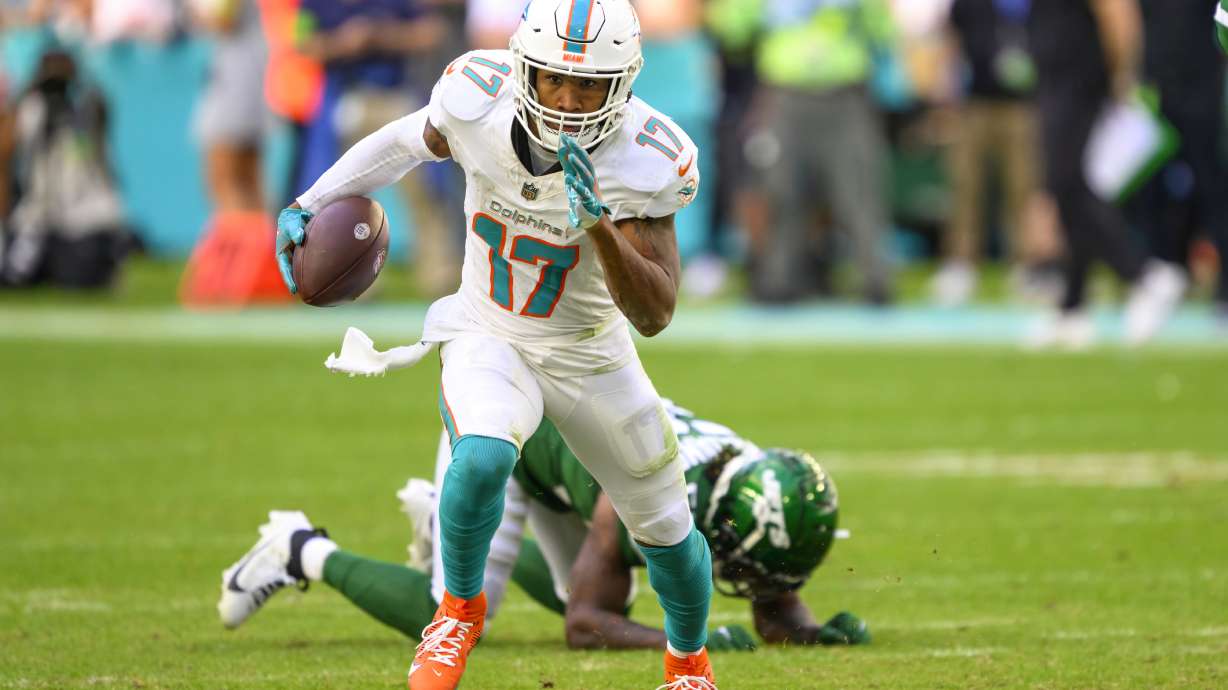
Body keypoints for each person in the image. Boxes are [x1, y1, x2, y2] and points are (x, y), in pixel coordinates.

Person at [273, 2, 712, 688]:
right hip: (490, 329)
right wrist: (311, 198)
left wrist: (596, 225)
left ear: (622, 85)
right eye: (552, 81)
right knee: (479, 457)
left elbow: (655, 312)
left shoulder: (647, 158)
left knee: (667, 528)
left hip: (590, 350)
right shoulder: (476, 100)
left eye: (588, 86)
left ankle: (689, 665)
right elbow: (403, 142)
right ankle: (456, 613)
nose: (568, 102)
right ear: (522, 68)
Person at [217, 402, 869, 652]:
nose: (754, 579)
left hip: (573, 455)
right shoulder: (652, 498)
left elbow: (768, 593)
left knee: (587, 586)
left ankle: (435, 521)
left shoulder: (741, 491)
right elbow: (584, 627)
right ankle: (299, 549)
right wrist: (686, 643)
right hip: (510, 438)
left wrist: (810, 633)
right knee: (455, 618)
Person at [1026, 0, 1186, 348]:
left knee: (1067, 182)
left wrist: (1124, 76)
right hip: (1057, 76)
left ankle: (1143, 273)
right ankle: (1073, 305)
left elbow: (1116, 10)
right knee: (1070, 185)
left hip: (1079, 77)